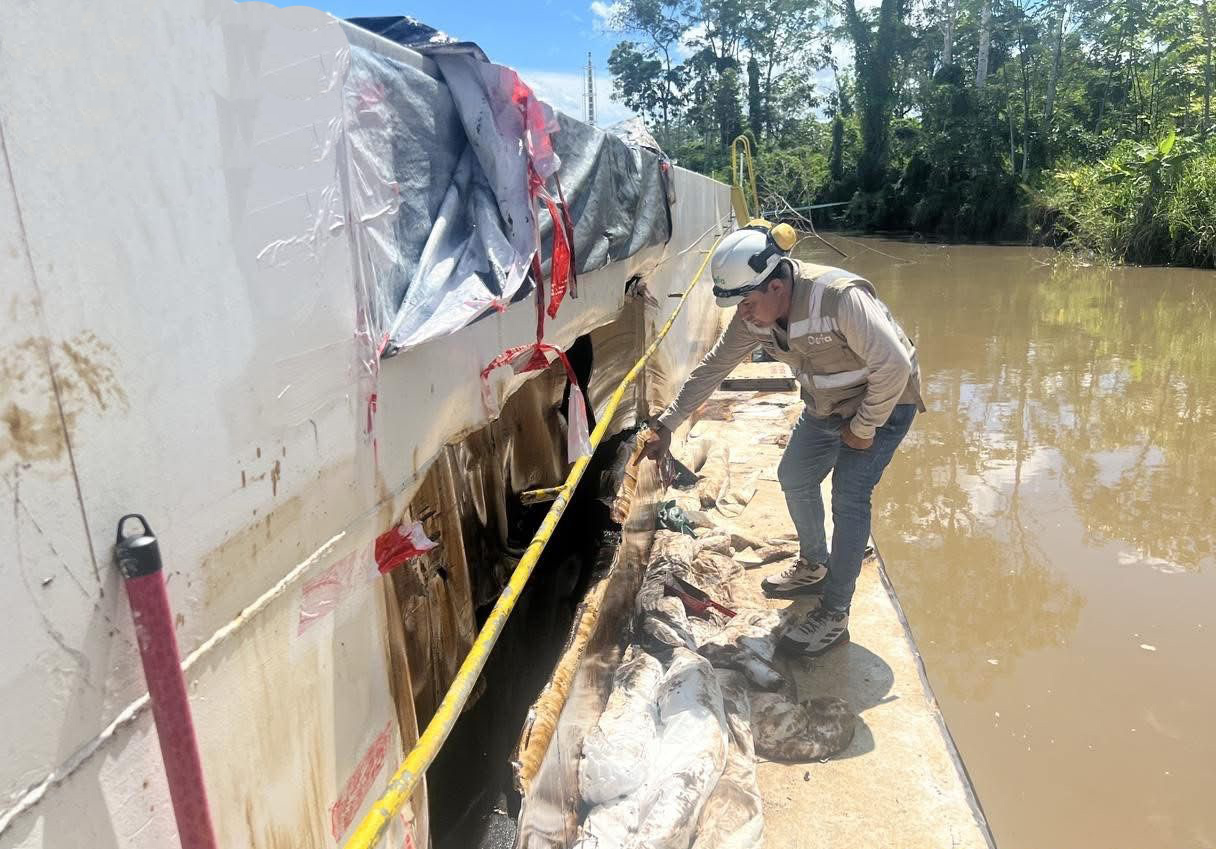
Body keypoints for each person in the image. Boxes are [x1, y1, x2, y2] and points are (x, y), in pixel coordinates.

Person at [643, 222, 924, 657]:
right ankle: (814, 564)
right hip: (827, 402)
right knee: (794, 475)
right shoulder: (755, 317)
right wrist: (667, 422)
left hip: (884, 401)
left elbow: (893, 365)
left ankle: (835, 613)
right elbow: (713, 369)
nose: (743, 314)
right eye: (737, 306)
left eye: (748, 303)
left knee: (850, 495)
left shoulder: (839, 298)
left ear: (778, 284)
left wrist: (865, 427)